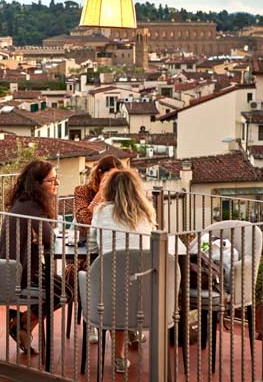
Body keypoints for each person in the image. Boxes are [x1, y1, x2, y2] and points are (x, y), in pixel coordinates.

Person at [0, 160, 73, 354]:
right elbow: (49, 239)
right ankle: (22, 323)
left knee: (64, 289)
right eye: (52, 181)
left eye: (57, 180)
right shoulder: (34, 207)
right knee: (63, 293)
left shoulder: (24, 201)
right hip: (21, 271)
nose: (56, 184)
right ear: (38, 185)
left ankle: (22, 324)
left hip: (16, 265)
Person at [91, 168, 156, 374]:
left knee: (116, 286)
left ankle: (119, 356)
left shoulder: (101, 212)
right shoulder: (146, 214)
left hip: (111, 289)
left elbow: (93, 246)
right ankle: (138, 336)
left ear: (108, 189)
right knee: (128, 284)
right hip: (145, 290)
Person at [71, 155, 123, 344]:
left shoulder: (122, 193)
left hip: (115, 247)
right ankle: (91, 321)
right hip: (88, 250)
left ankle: (125, 326)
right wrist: (99, 197)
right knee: (93, 270)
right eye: (111, 176)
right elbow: (83, 220)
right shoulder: (83, 191)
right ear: (100, 173)